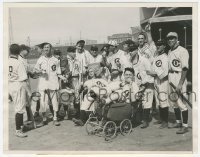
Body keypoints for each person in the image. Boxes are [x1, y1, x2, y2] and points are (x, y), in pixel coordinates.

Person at [34, 42, 66, 127]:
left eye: (48, 47)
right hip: (43, 83)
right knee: (43, 102)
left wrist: (63, 78)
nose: (46, 49)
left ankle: (55, 118)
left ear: (51, 48)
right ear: (43, 49)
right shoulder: (40, 59)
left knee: (54, 101)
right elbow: (35, 70)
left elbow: (58, 73)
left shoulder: (56, 60)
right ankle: (44, 118)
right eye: (45, 47)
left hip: (53, 82)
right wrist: (40, 71)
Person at [167, 32, 189, 134]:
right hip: (171, 76)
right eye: (169, 39)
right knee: (174, 102)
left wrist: (180, 84)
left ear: (176, 39)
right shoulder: (170, 51)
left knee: (181, 103)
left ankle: (185, 126)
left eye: (172, 38)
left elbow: (184, 69)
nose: (170, 40)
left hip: (179, 75)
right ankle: (178, 122)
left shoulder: (182, 51)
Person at [146, 40, 169, 129]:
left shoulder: (165, 57)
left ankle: (165, 121)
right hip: (156, 81)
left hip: (163, 81)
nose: (158, 46)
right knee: (159, 101)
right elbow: (152, 68)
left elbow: (164, 72)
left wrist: (153, 73)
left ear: (164, 46)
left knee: (163, 100)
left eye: (160, 45)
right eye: (157, 45)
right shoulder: (157, 57)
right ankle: (161, 119)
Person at [131, 48, 154, 129]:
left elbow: (149, 73)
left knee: (146, 102)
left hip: (147, 84)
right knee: (138, 102)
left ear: (136, 51)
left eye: (132, 50)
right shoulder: (131, 62)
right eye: (129, 50)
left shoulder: (144, 60)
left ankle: (145, 121)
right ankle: (138, 118)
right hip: (138, 84)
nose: (130, 52)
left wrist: (145, 85)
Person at [8, 44, 29, 137]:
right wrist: (29, 91)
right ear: (19, 52)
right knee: (19, 108)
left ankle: (21, 125)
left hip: (10, 85)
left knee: (18, 107)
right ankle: (18, 130)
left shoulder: (6, 61)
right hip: (18, 85)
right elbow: (24, 78)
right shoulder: (19, 63)